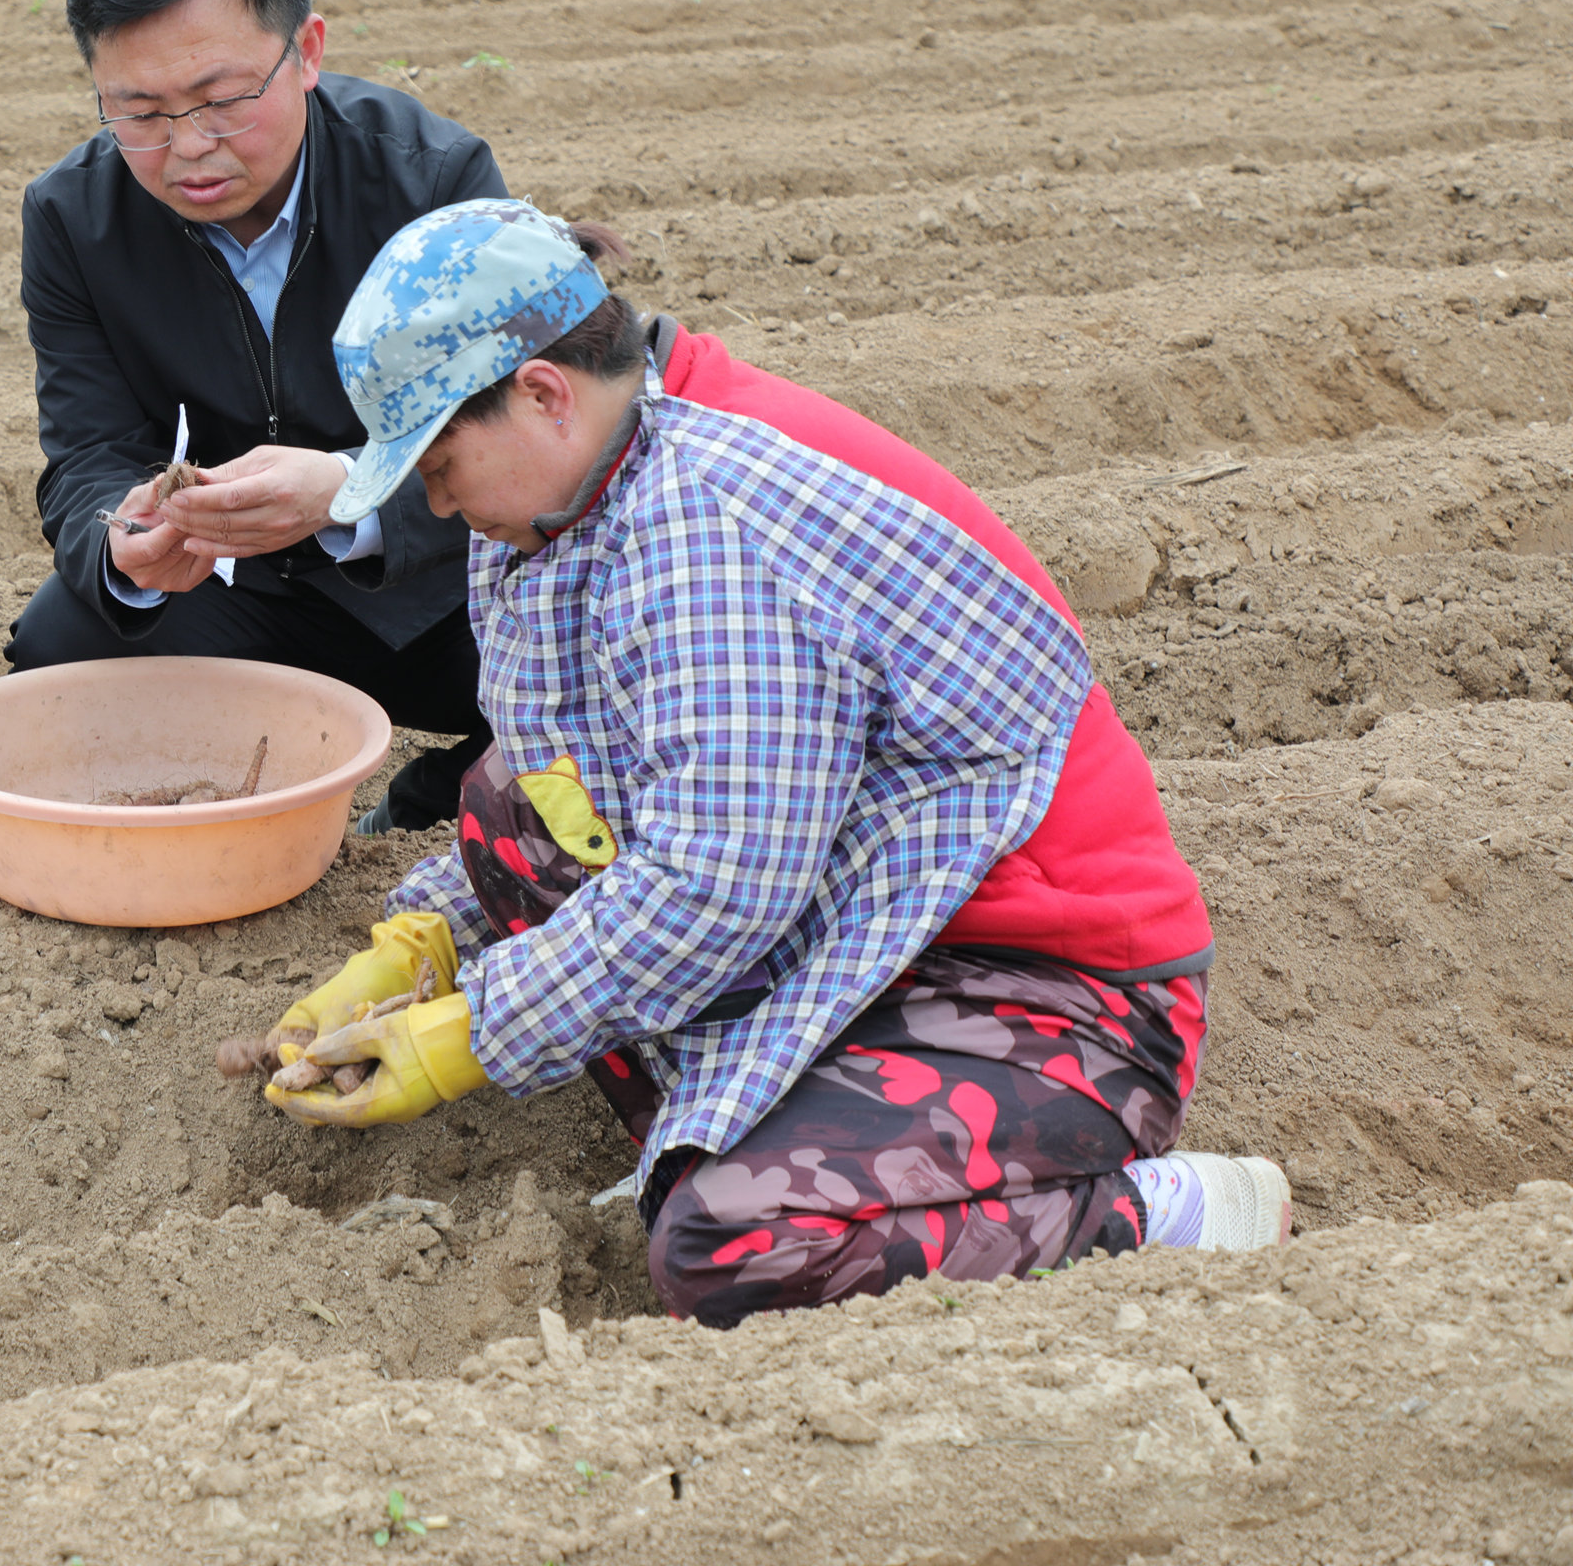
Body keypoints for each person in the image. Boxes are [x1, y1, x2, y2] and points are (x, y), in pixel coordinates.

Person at [259, 199, 1287, 1326]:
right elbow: (581, 781)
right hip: (874, 907)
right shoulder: (593, 482)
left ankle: (1160, 1212)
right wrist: (423, 945)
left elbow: (717, 885)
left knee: (729, 1251)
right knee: (513, 814)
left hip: (1045, 984)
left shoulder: (712, 532)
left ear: (545, 395)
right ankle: (739, 1143)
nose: (436, 502)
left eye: (441, 463)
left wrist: (470, 1035)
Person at [8, 0, 503, 834]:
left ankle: (441, 794)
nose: (189, 145)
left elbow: (506, 433)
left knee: (613, 649)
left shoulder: (434, 181)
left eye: (223, 97)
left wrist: (348, 490)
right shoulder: (73, 217)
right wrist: (121, 539)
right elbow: (87, 449)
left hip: (446, 596)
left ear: (306, 51)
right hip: (239, 600)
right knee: (62, 644)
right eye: (139, 112)